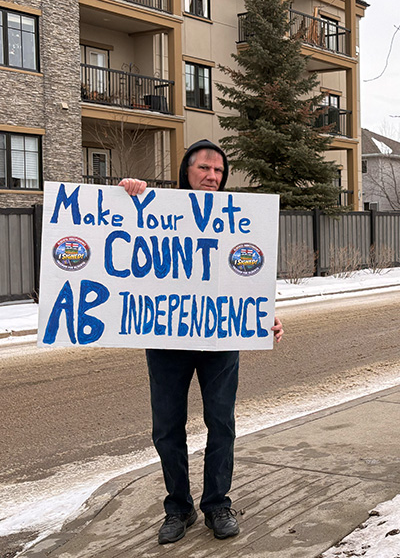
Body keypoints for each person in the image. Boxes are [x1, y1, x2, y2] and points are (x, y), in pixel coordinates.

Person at [119, 139, 283, 545]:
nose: (212, 176)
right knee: (167, 428)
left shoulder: (237, 218)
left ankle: (216, 504)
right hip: (166, 339)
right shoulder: (155, 210)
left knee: (221, 423)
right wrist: (128, 195)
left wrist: (264, 314)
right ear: (186, 173)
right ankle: (178, 509)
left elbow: (247, 276)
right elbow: (117, 231)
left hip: (221, 337)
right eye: (204, 169)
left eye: (218, 171)